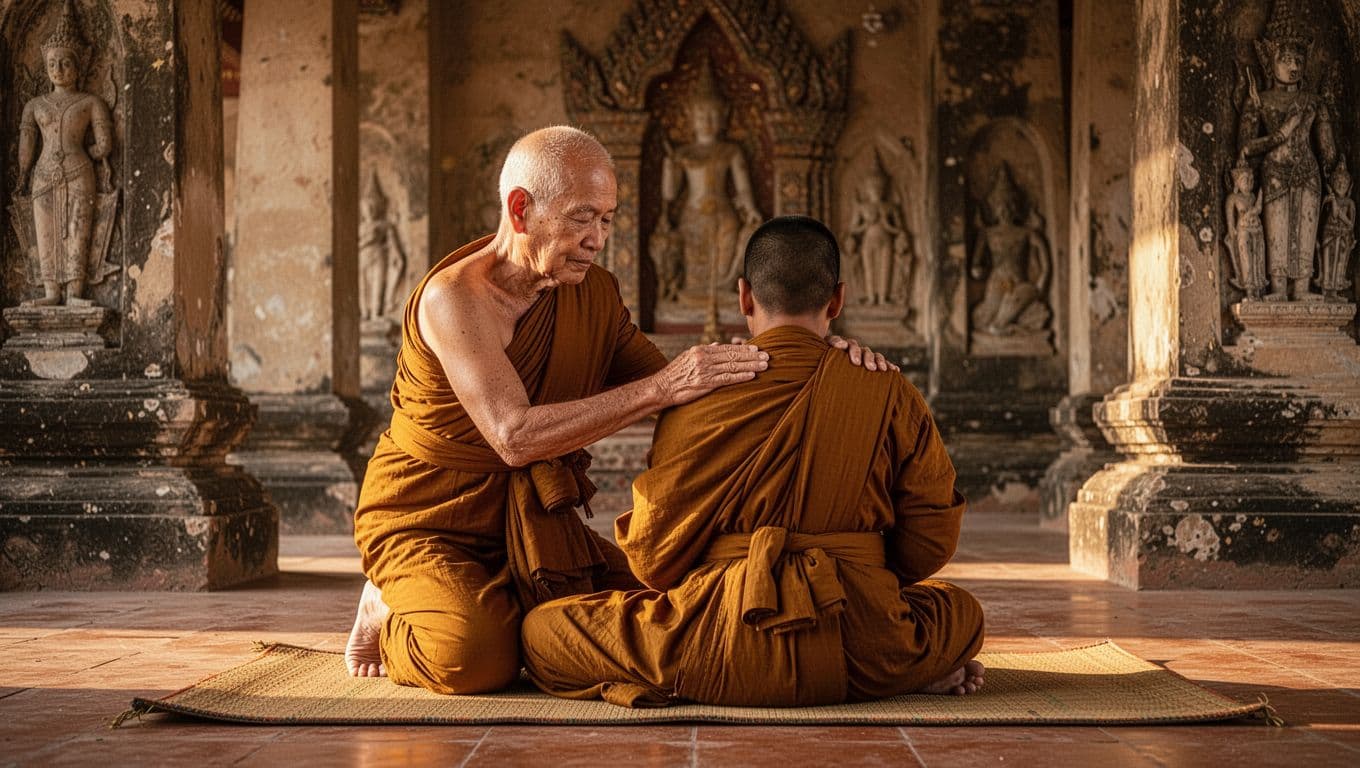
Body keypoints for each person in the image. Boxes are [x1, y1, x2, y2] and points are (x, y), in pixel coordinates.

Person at [344, 127, 893, 694]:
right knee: (474, 660)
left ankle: (487, 603)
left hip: (536, 522)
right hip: (428, 519)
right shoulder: (454, 298)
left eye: (607, 220)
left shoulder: (593, 293)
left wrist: (819, 357)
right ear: (520, 208)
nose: (598, 238)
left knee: (678, 603)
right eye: (583, 218)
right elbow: (514, 436)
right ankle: (385, 607)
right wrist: (660, 389)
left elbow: (688, 388)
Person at [520, 216, 985, 708]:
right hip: (865, 641)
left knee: (543, 632)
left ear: (744, 297)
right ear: (838, 300)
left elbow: (653, 558)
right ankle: (906, 672)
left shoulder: (699, 393)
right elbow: (929, 544)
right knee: (962, 613)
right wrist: (855, 569)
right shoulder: (887, 386)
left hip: (716, 640)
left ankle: (689, 679)